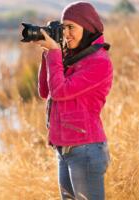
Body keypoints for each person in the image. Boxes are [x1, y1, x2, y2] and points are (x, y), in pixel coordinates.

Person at [35, 1, 113, 200]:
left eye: (72, 27)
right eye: (63, 27)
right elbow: (46, 91)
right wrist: (48, 55)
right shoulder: (73, 58)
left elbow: (60, 91)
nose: (66, 33)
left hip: (85, 149)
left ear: (87, 28)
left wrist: (54, 53)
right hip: (64, 149)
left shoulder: (99, 62)